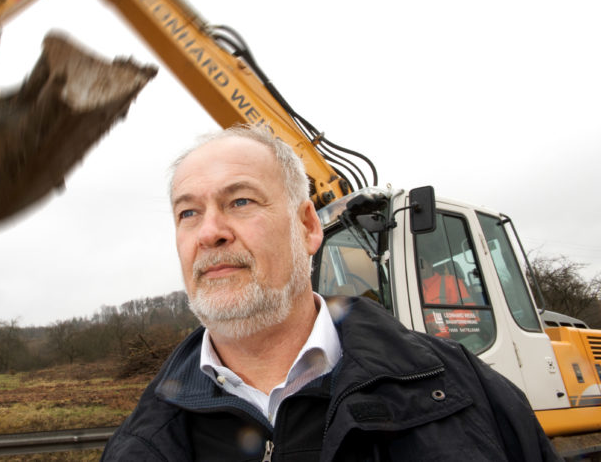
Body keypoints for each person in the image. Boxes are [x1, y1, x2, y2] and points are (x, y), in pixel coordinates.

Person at [101, 125, 560, 461]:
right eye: (188, 213)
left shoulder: (465, 389)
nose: (210, 232)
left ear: (306, 226)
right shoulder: (139, 445)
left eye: (240, 201)